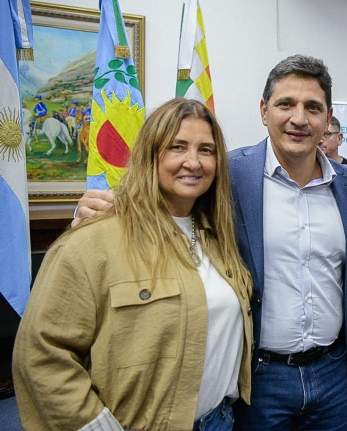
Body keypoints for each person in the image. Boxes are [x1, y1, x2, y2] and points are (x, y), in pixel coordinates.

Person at [73, 55, 347, 430]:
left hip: (332, 373)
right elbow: (164, 199)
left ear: (328, 118)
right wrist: (102, 210)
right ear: (264, 111)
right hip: (259, 376)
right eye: (285, 104)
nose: (299, 118)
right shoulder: (227, 172)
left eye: (312, 107)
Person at [14, 98, 253, 430]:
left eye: (206, 150)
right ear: (150, 154)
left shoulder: (220, 238)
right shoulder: (92, 241)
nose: (193, 162)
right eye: (177, 147)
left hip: (219, 420)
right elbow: (41, 353)